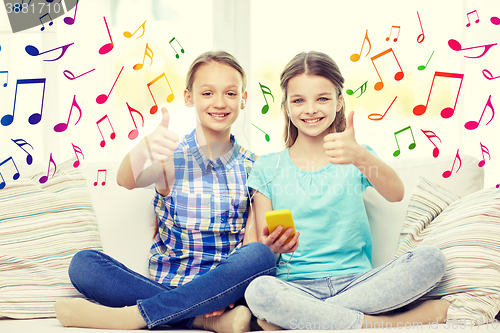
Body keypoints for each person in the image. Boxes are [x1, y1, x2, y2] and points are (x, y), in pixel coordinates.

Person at [54, 51, 276, 331]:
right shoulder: (174, 158)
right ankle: (201, 319)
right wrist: (144, 146)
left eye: (231, 94)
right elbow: (127, 179)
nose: (219, 102)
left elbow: (250, 243)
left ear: (243, 100)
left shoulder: (255, 166)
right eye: (207, 93)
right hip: (165, 285)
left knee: (260, 256)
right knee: (83, 264)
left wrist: (232, 288)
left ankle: (135, 316)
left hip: (224, 290)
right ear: (189, 97)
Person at [244, 51, 450, 330]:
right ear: (286, 106)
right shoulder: (267, 167)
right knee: (258, 291)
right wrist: (272, 249)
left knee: (432, 259)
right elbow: (255, 252)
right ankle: (374, 324)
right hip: (296, 287)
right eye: (298, 100)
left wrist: (359, 156)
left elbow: (396, 193)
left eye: (322, 99)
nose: (311, 109)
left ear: (339, 102)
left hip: (359, 283)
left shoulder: (357, 156)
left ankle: (309, 320)